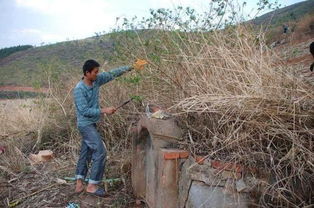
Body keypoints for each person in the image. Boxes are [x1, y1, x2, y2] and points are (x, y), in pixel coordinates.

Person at [73, 59, 147, 197]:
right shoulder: (79, 90)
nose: (97, 74)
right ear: (87, 73)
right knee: (100, 152)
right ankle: (92, 185)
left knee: (86, 152)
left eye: (97, 72)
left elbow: (113, 73)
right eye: (95, 72)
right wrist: (103, 110)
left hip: (91, 124)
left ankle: (79, 182)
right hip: (85, 125)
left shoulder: (96, 81)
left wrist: (131, 66)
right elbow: (83, 110)